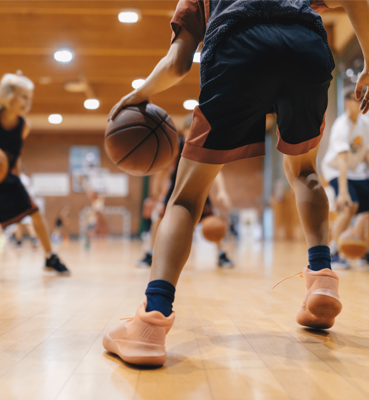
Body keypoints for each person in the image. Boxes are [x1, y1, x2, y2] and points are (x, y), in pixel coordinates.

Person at [104, 0, 369, 366]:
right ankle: (322, 278)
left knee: (184, 201)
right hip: (306, 44)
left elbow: (178, 63)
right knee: (305, 173)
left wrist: (139, 94)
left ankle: (152, 321)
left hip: (238, 44)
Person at [0, 72, 70, 274]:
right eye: (23, 97)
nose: (28, 102)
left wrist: (19, 178)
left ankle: (50, 257)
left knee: (35, 213)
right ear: (8, 95)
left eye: (30, 98)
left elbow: (17, 155)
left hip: (6, 178)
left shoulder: (24, 125)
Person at [138, 114, 234, 268]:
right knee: (158, 219)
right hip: (176, 189)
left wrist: (222, 191)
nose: (192, 135)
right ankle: (149, 253)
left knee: (212, 222)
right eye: (189, 131)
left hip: (199, 188)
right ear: (183, 131)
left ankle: (222, 255)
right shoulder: (177, 146)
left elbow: (217, 171)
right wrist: (157, 186)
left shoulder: (205, 147)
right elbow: (163, 168)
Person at [322, 85, 369, 268]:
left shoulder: (365, 124)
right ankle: (333, 252)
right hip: (335, 170)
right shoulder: (341, 126)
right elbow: (341, 161)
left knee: (365, 209)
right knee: (349, 206)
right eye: (359, 100)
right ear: (348, 102)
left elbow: (365, 154)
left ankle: (363, 251)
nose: (363, 103)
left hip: (355, 171)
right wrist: (342, 192)